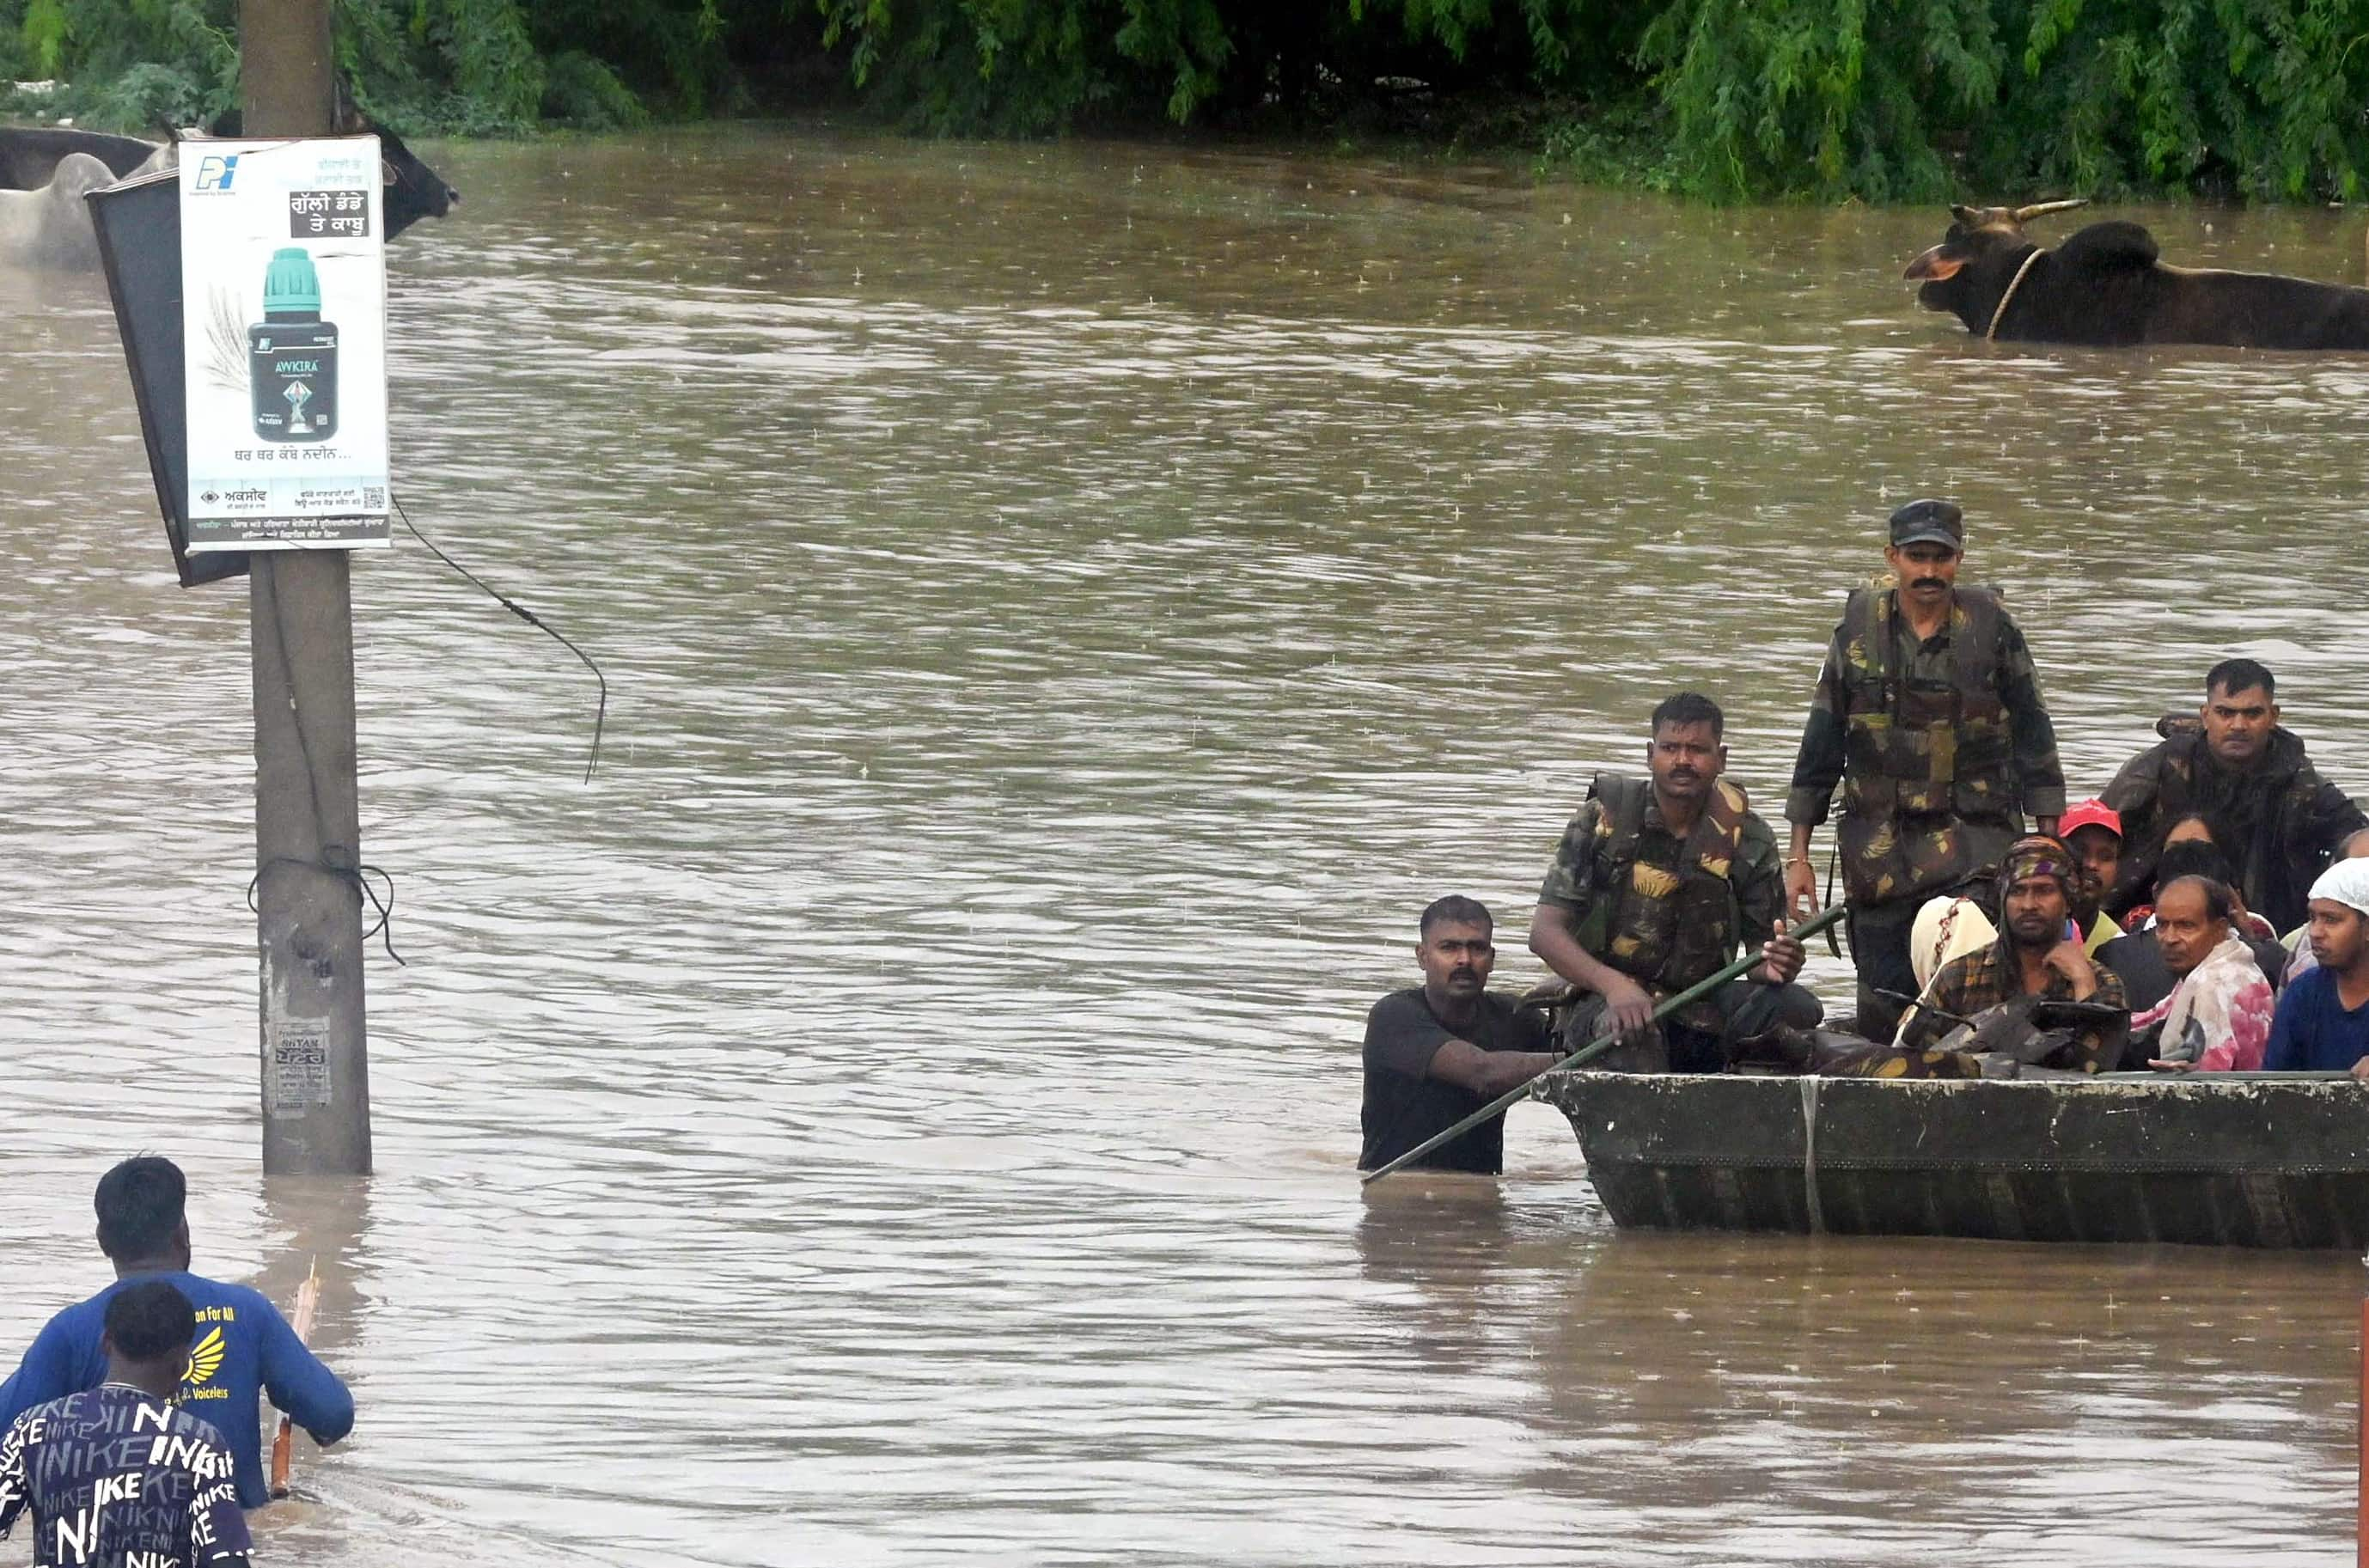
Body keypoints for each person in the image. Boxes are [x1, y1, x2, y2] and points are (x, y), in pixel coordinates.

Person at [1786, 499, 2065, 1038]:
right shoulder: (1857, 633)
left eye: (1942, 557)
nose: (1930, 571)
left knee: (1975, 997)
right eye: (1918, 557)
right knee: (1884, 1002)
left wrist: (2047, 844)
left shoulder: (1993, 631)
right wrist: (1799, 857)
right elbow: (1820, 745)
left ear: (1959, 558)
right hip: (1880, 855)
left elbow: (2035, 736)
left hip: (1975, 848)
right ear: (1894, 557)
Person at [0, 1157, 352, 1510]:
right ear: (181, 1232)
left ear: (103, 1241)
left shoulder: (71, 1331)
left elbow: (6, 1435)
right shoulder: (247, 1312)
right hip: (231, 1535)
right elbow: (333, 1414)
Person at [1529, 692, 1818, 1073]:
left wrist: (1780, 962)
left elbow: (1758, 961)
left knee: (1799, 1008)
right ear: (1651, 755)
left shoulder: (1751, 837)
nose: (1683, 761)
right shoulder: (1602, 821)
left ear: (1721, 758)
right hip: (1605, 998)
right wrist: (1614, 986)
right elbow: (1544, 933)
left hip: (1702, 1002)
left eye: (1697, 750)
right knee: (1631, 1033)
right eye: (1670, 748)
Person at [2102, 659, 2369, 933]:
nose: (2238, 725)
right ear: (2206, 715)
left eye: (2252, 713)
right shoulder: (2161, 766)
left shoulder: (2300, 780)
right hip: (2158, 919)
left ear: (2273, 716)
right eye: (2225, 713)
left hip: (2270, 925)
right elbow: (2097, 828)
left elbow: (2357, 831)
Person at [0, 1281, 252, 1568]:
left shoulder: (33, 1429)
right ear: (183, 1361)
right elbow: (227, 1560)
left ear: (106, 1342)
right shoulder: (199, 1444)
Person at [1359, 897, 1561, 1174]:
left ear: (1491, 959)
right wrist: (1574, 1059)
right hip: (1396, 1191)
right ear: (1422, 956)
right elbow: (1482, 1073)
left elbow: (1579, 1049)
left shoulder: (1514, 1016)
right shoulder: (1393, 1016)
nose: (1464, 960)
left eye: (1477, 948)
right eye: (1449, 948)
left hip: (1484, 1189)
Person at [1902, 836, 2127, 1072]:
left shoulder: (2103, 982)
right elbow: (1919, 1073)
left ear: (2068, 901)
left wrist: (2084, 985)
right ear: (2004, 899)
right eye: (2018, 891)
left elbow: (2099, 1077)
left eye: (2044, 890)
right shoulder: (1960, 977)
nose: (2029, 904)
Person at [2135, 876, 2274, 1071]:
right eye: (2162, 925)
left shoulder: (2209, 984)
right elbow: (2153, 1019)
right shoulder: (2235, 963)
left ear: (2219, 929)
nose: (2169, 938)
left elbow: (2203, 1087)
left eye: (2186, 926)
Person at [2266, 860, 2369, 1074]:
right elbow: (2274, 1084)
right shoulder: (2303, 991)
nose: (2315, 932)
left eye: (2331, 920)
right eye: (2313, 918)